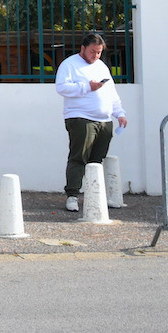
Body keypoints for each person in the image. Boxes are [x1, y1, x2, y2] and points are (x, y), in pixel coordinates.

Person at [55, 32, 127, 213]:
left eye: (99, 52)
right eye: (92, 52)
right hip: (81, 117)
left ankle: (95, 196)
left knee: (97, 159)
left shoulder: (101, 66)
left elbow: (111, 92)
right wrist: (87, 86)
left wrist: (119, 113)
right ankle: (72, 195)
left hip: (104, 120)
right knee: (79, 157)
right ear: (83, 48)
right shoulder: (70, 64)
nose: (95, 56)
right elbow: (61, 87)